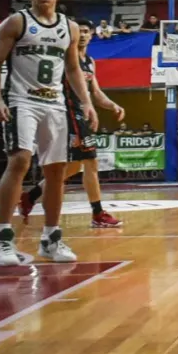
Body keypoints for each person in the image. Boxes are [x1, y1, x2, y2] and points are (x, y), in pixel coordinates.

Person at [0, 0, 99, 265]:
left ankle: (51, 238)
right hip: (21, 100)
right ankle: (2, 238)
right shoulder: (16, 22)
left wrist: (86, 103)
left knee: (56, 173)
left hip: (56, 104)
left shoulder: (70, 28)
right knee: (20, 159)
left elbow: (74, 69)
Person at [19, 18, 125, 228]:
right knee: (90, 162)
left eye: (87, 31)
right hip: (67, 114)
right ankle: (97, 213)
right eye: (81, 31)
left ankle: (30, 197)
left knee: (74, 166)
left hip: (82, 113)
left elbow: (95, 92)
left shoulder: (90, 61)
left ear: (92, 34)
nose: (83, 34)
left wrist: (113, 105)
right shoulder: (66, 57)